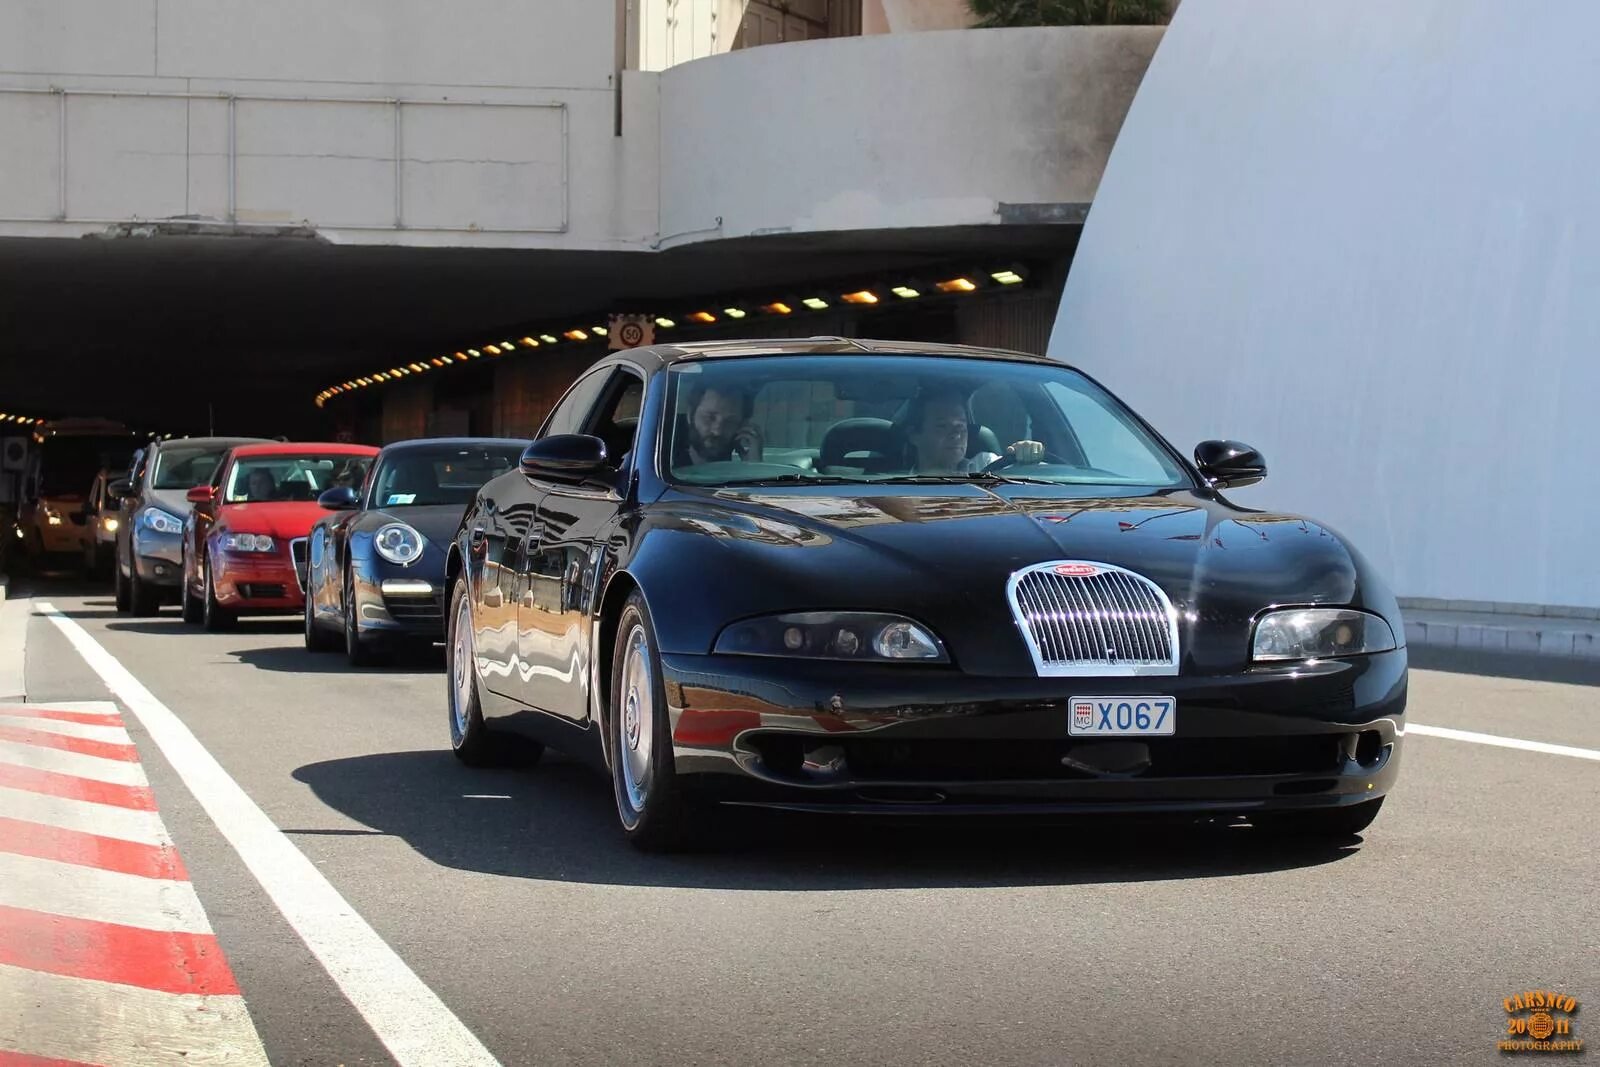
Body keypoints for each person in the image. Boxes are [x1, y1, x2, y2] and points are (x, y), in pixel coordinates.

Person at [903, 388, 1045, 474]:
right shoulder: (896, 485)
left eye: (961, 426)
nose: (956, 434)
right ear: (914, 436)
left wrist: (1027, 454)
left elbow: (1043, 476)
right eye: (942, 426)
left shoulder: (987, 466)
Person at [675, 382, 764, 466]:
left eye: (730, 422)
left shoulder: (741, 467)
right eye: (710, 417)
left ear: (742, 425)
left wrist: (753, 467)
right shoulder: (668, 461)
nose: (718, 431)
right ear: (690, 415)